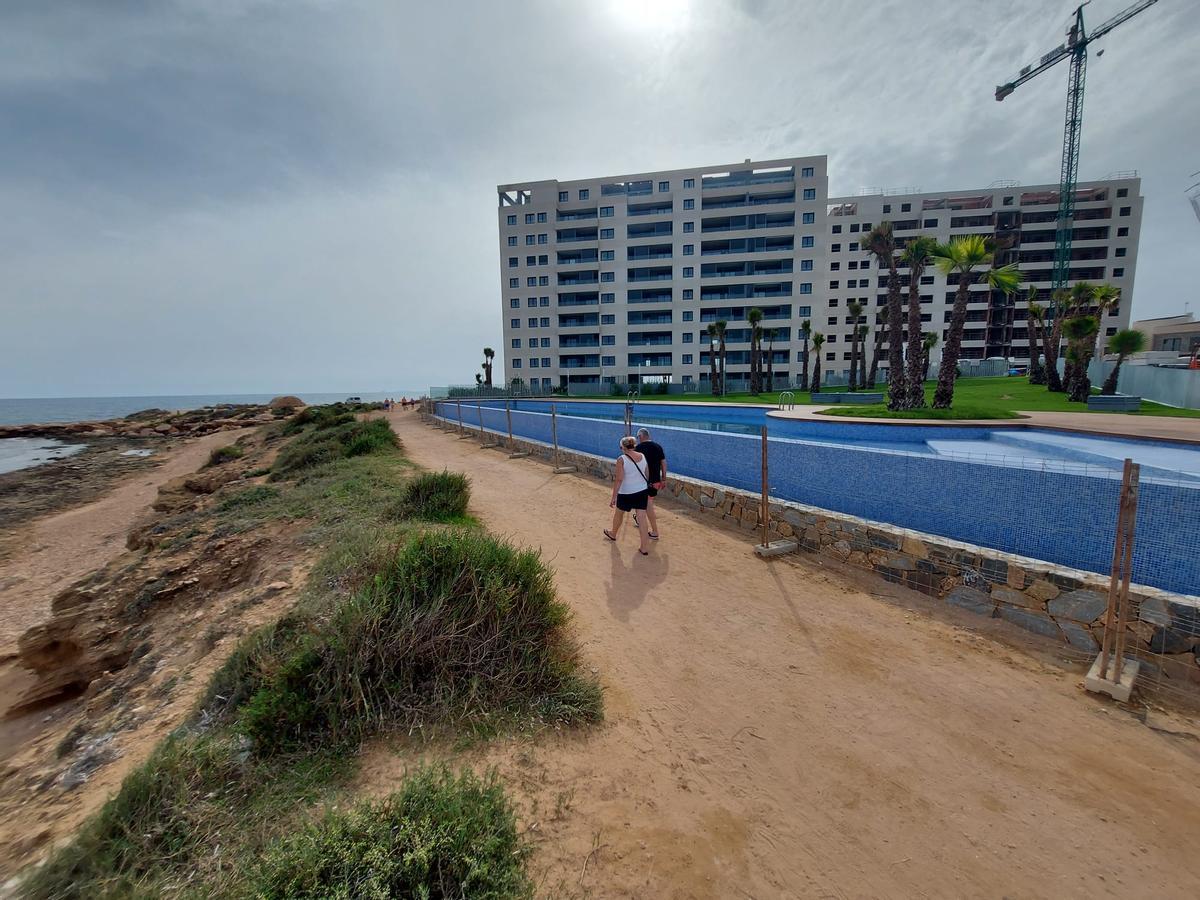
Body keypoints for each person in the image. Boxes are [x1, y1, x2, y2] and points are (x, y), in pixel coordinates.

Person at [604, 435, 652, 555]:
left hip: (626, 492)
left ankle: (613, 533)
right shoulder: (642, 456)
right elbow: (647, 474)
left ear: (623, 447)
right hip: (641, 491)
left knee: (619, 514)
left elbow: (619, 479)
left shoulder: (621, 459)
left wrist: (613, 497)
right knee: (642, 518)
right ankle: (644, 547)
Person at [633, 427, 666, 540]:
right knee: (645, 502)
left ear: (641, 436)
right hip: (655, 481)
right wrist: (664, 479)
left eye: (638, 437)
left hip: (643, 481)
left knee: (648, 504)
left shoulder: (638, 448)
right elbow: (663, 463)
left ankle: (655, 531)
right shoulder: (658, 447)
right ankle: (639, 519)